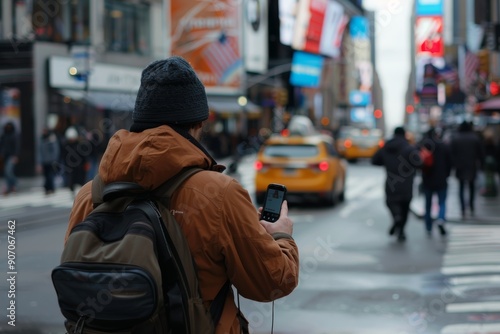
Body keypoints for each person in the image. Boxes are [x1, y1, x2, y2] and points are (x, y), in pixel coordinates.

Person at [65, 56, 299, 333]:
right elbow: (271, 283)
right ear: (198, 123)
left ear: (139, 120)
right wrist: (281, 236)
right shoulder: (220, 194)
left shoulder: (89, 195)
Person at [372, 126, 422, 242]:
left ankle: (396, 217)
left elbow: (375, 160)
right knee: (405, 207)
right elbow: (419, 163)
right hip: (407, 184)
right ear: (404, 134)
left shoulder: (386, 147)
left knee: (391, 203)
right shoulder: (409, 148)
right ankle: (402, 231)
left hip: (391, 183)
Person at [418, 127, 452, 237]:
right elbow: (450, 163)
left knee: (428, 205)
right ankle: (441, 219)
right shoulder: (444, 146)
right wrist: (447, 174)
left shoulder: (423, 146)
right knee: (441, 202)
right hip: (441, 179)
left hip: (427, 179)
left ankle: (428, 227)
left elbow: (418, 163)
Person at [450, 121, 484, 218]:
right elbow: (481, 154)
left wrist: (453, 165)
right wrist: (481, 165)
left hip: (460, 166)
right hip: (471, 166)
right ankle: (471, 206)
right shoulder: (474, 138)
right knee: (471, 187)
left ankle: (463, 208)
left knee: (461, 187)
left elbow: (451, 154)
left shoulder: (456, 138)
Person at [38, 127, 61, 195]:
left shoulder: (52, 139)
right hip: (44, 161)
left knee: (50, 175)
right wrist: (39, 162)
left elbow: (55, 150)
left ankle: (51, 188)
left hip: (51, 161)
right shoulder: (42, 139)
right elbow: (40, 151)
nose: (44, 133)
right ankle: (47, 188)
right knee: (46, 175)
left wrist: (54, 160)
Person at [0, 122, 20, 195]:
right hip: (4, 156)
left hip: (11, 156)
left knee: (8, 171)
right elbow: (1, 145)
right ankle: (10, 187)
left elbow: (16, 146)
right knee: (6, 172)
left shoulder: (14, 135)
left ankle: (14, 183)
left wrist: (16, 156)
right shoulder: (4, 135)